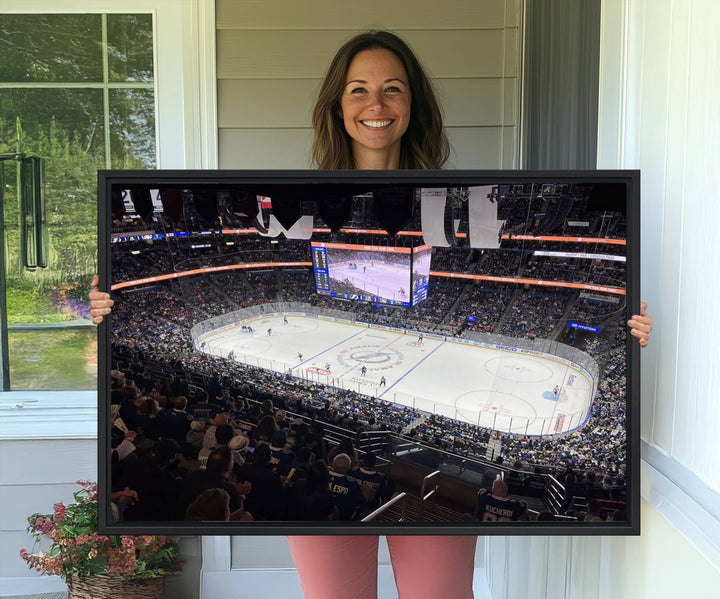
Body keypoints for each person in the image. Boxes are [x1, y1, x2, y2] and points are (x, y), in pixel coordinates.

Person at [89, 29, 654, 599]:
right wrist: (104, 309)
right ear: (338, 104)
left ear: (414, 105)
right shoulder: (293, 198)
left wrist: (630, 333)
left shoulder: (458, 197)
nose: (375, 105)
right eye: (358, 89)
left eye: (393, 89)